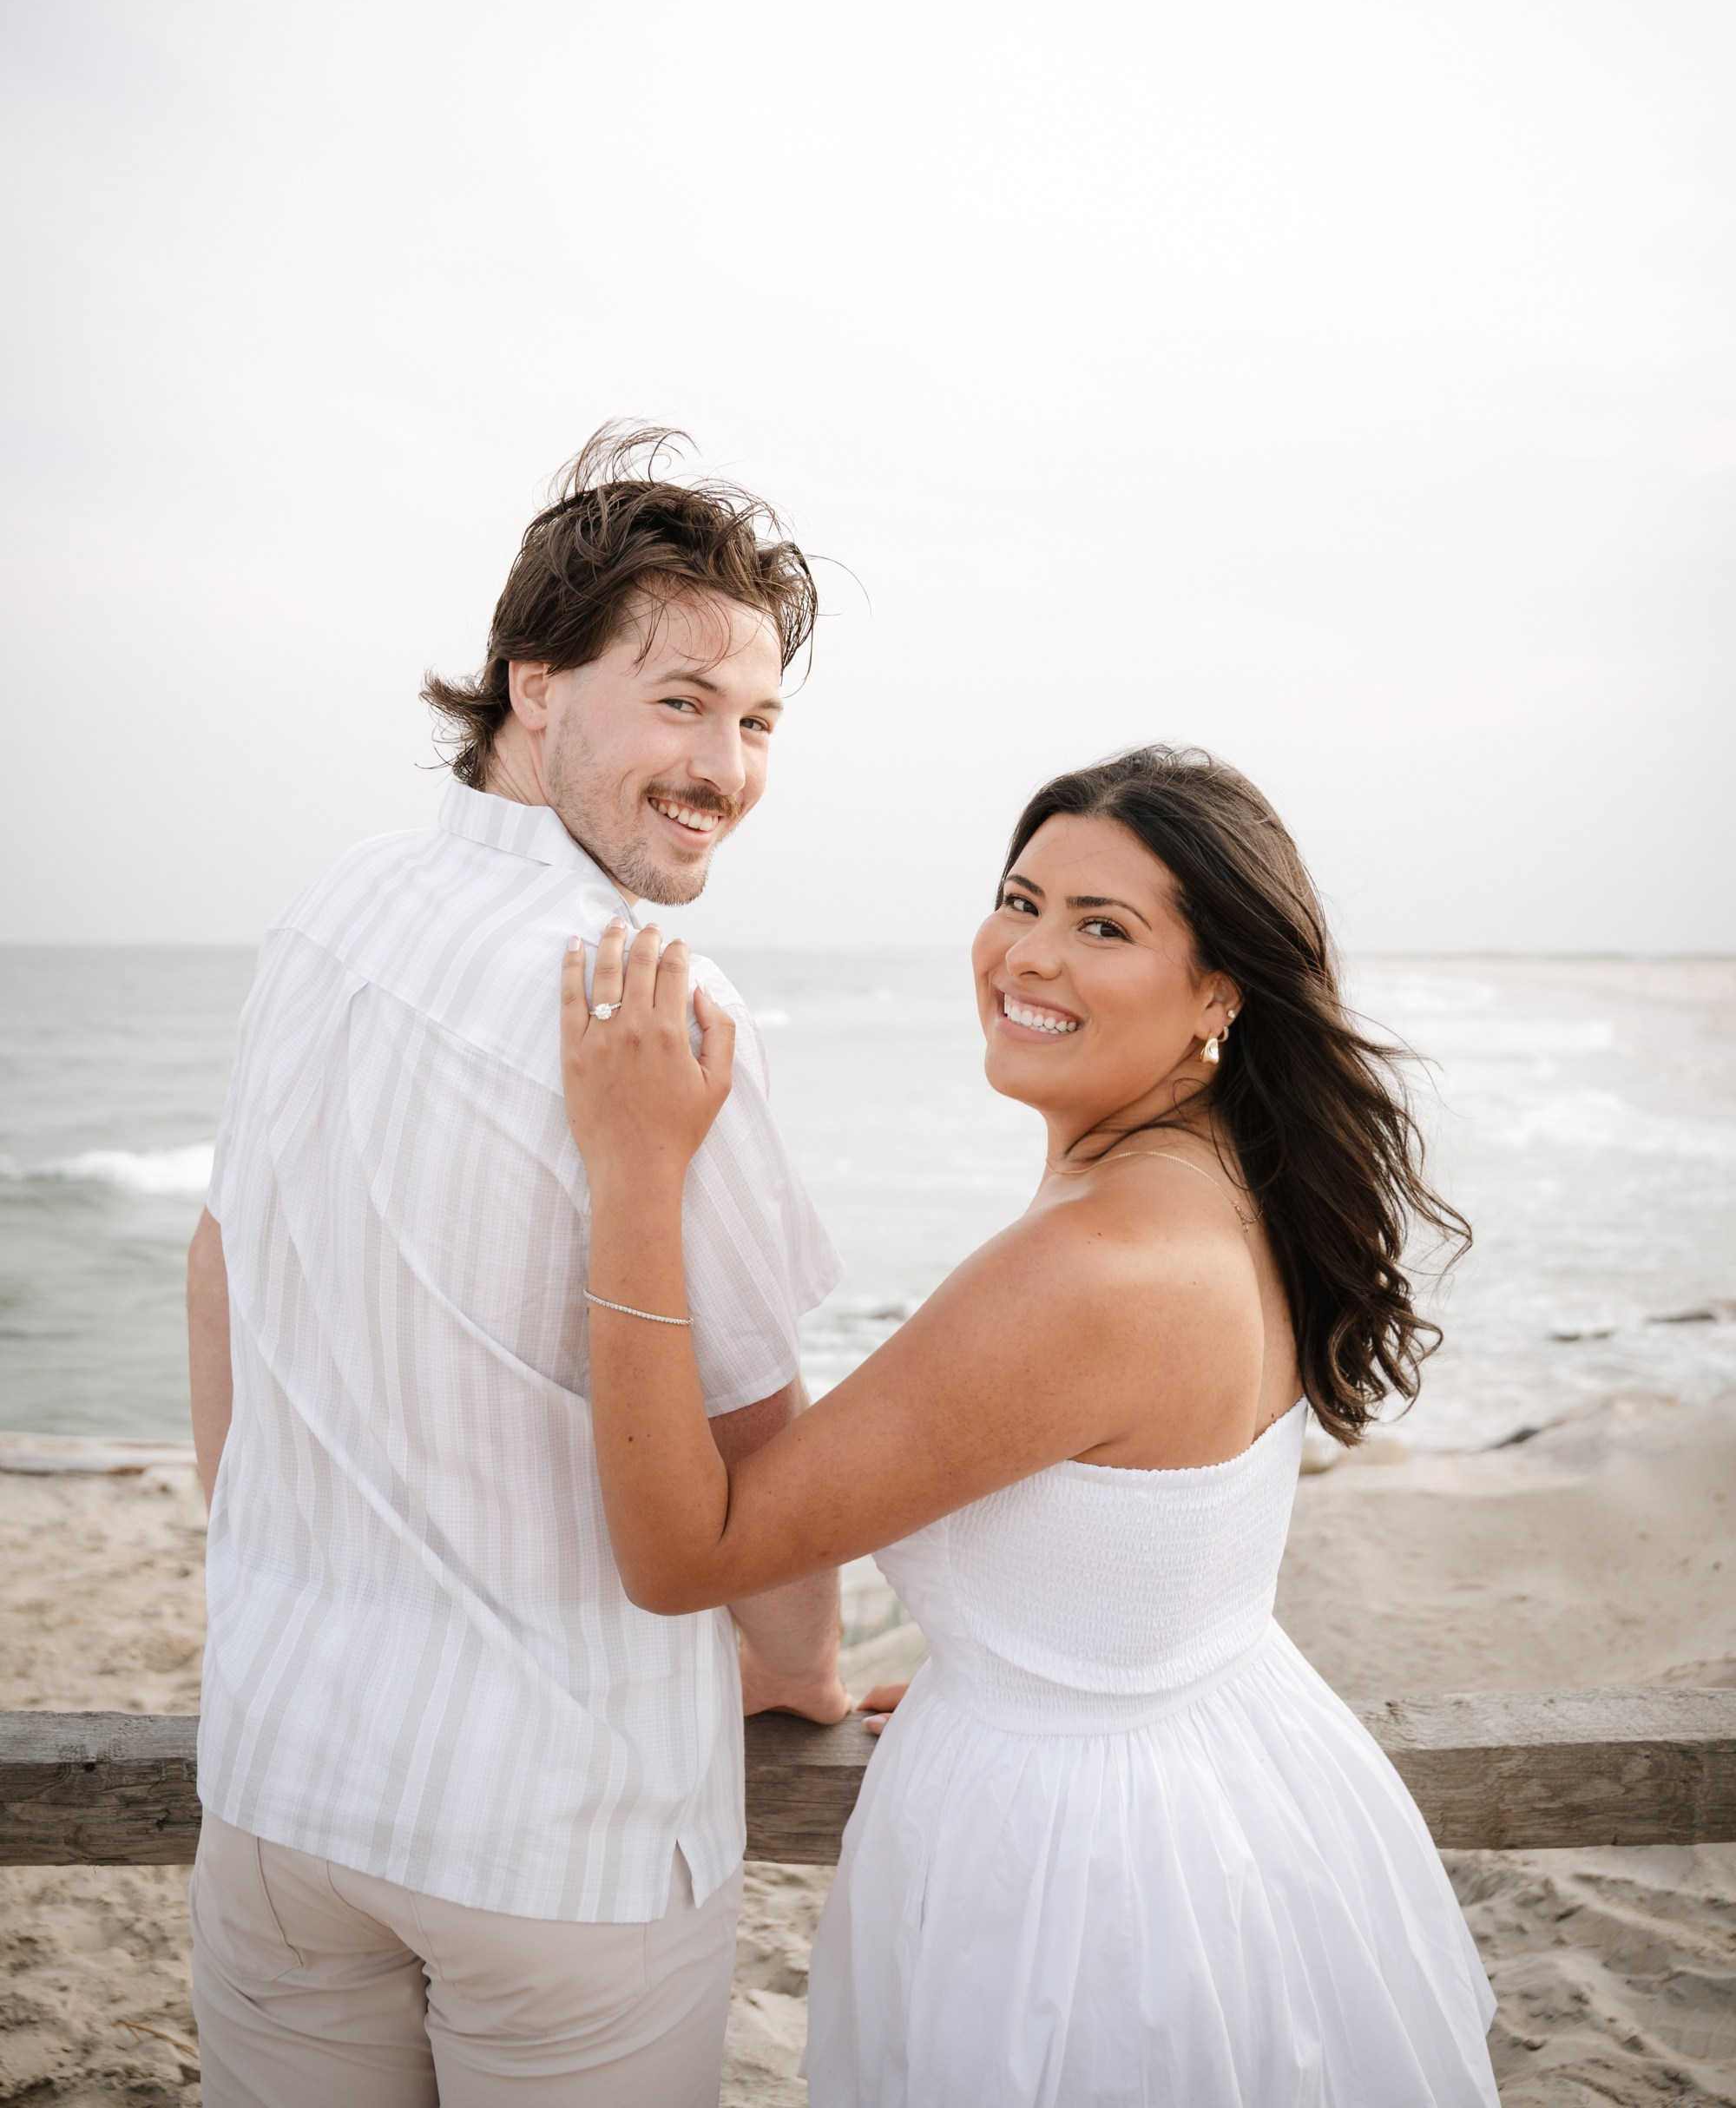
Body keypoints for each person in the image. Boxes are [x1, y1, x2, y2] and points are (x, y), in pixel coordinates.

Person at [560, 744, 1502, 2107]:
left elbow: (683, 1549)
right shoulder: (1240, 1185)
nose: (1027, 956)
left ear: (1218, 992)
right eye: (1021, 898)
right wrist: (1022, 1671)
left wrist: (638, 1164)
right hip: (1232, 1785)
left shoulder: (1089, 1269)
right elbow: (1132, 1552)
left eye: (1102, 926)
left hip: (1090, 1876)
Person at [184, 425, 847, 2108]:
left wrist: (271, 1580)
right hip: (559, 1834)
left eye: (757, 721)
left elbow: (221, 1269)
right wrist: (795, 1675)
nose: (727, 767)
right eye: (682, 700)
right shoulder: (660, 1008)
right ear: (531, 690)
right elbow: (757, 1429)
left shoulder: (329, 908)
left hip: (281, 1779)